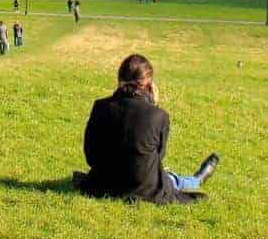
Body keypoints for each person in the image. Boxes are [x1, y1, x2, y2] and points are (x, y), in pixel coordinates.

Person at [75, 53, 219, 204]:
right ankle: (196, 180)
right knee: (169, 179)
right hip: (142, 187)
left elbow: (90, 155)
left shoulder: (100, 106)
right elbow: (159, 157)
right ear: (149, 85)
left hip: (102, 182)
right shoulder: (159, 115)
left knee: (165, 176)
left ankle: (192, 179)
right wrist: (154, 106)